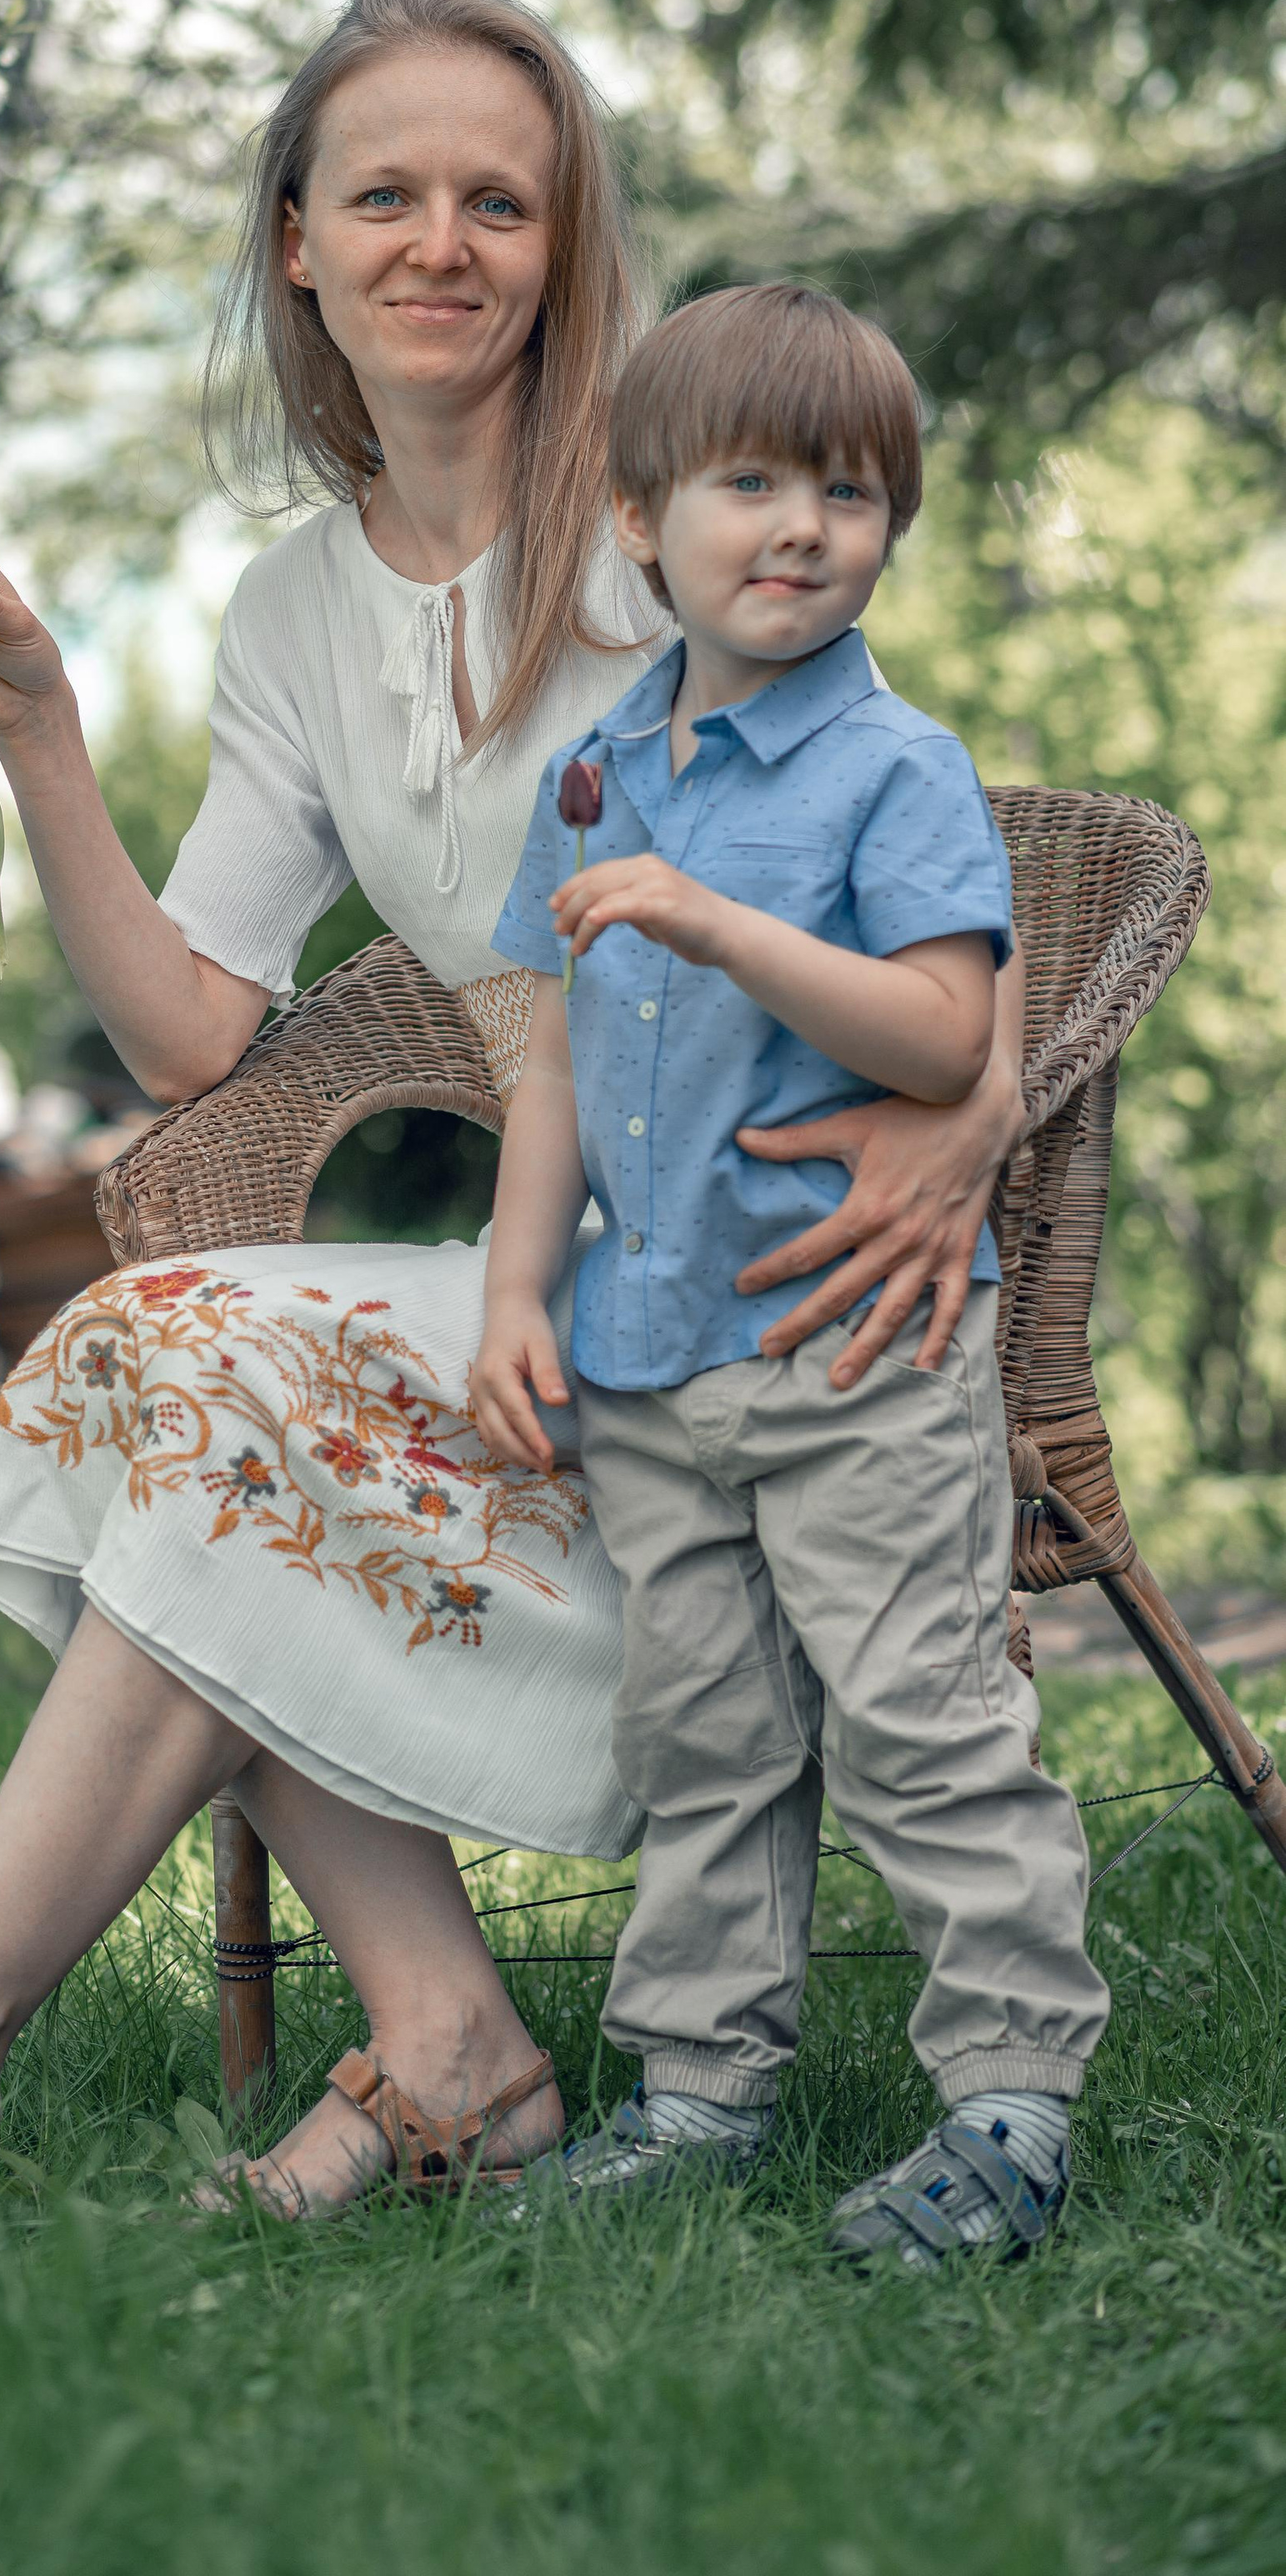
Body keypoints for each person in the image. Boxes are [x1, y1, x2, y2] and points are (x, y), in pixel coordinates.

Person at [0, 0, 1027, 2227]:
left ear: (562, 249)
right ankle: (429, 2046)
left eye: (499, 201)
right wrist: (37, 729)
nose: (440, 243)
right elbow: (192, 1034)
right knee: (147, 1366)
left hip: (732, 1289)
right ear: (297, 239)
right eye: (385, 194)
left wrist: (983, 1094)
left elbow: (891, 799)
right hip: (537, 1273)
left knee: (198, 1390)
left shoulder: (655, 526)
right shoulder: (294, 609)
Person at [475, 282, 1106, 2264]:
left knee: (918, 1715)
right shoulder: (598, 770)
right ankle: (699, 2087)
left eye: (848, 492)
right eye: (748, 481)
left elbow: (942, 1035)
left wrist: (721, 923)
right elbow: (555, 1047)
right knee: (704, 1737)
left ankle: (1007, 2098)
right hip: (654, 1352)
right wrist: (514, 1291)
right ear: (638, 516)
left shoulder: (892, 767)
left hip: (854, 1353)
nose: (802, 527)